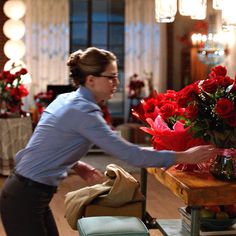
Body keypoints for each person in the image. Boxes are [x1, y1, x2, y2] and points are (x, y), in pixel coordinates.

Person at [0, 47, 219, 236]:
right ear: (91, 80)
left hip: (27, 193)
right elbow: (130, 154)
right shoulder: (83, 112)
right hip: (24, 198)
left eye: (116, 76)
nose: (116, 82)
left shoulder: (67, 99)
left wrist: (77, 164)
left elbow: (47, 143)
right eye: (111, 77)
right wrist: (184, 156)